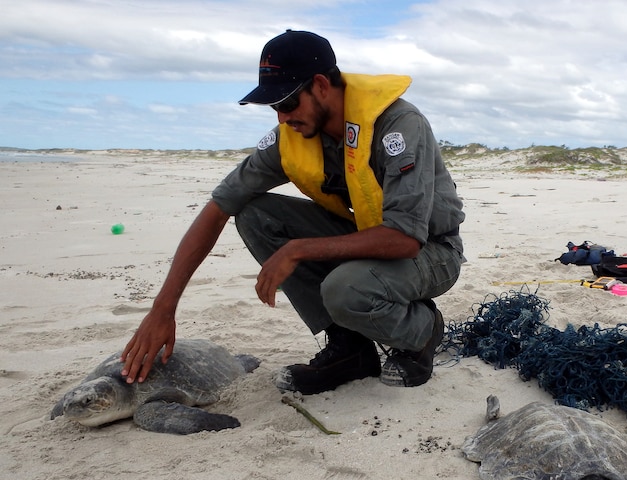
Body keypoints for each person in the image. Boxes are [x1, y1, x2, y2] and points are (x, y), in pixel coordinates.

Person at [121, 30, 464, 394]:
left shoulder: (398, 125)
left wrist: (298, 249)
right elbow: (219, 208)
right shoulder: (294, 134)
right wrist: (163, 309)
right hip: (365, 240)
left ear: (319, 85)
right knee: (254, 213)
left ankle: (423, 331)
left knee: (345, 290)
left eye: (286, 104)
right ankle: (350, 350)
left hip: (431, 250)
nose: (282, 119)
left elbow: (405, 239)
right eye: (274, 108)